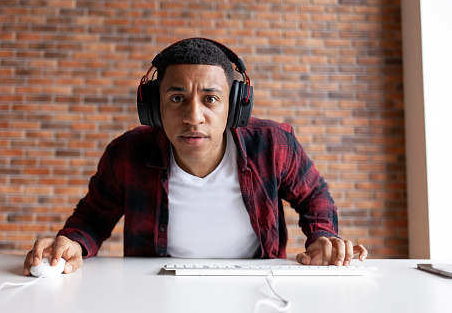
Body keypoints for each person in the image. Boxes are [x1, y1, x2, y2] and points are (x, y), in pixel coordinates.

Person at [23, 38, 367, 276]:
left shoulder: (272, 144)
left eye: (211, 99)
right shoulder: (127, 153)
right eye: (176, 98)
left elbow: (315, 197)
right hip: (157, 284)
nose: (193, 116)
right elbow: (93, 218)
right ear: (153, 106)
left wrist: (322, 238)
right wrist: (71, 243)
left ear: (235, 106)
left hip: (257, 284)